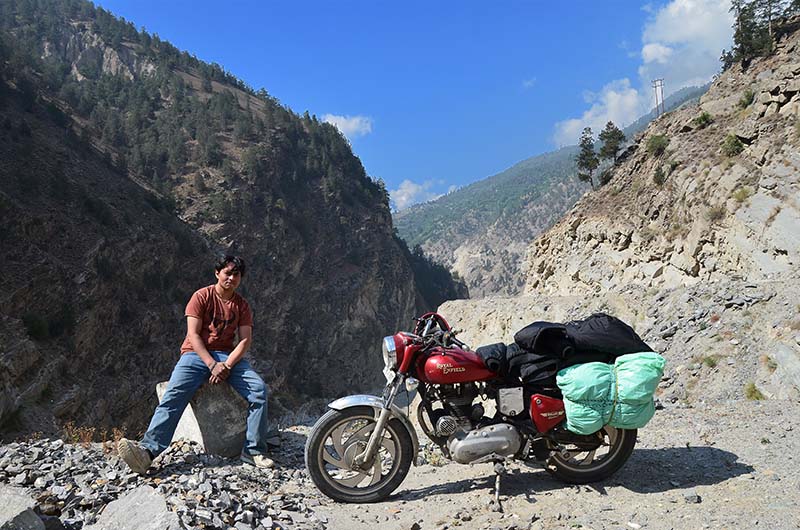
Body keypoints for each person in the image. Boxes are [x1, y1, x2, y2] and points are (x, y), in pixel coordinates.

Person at [118, 255, 274, 473]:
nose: (231, 278)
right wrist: (212, 365)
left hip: (226, 356)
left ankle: (254, 451)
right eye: (227, 273)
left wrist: (227, 365)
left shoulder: (242, 305)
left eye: (236, 274)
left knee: (258, 390)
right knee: (174, 396)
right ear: (217, 273)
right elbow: (192, 335)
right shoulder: (201, 297)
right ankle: (147, 451)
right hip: (195, 354)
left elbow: (245, 340)